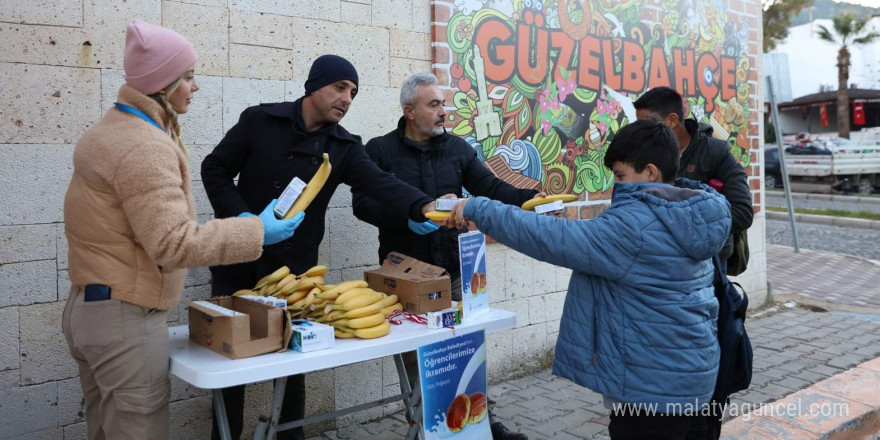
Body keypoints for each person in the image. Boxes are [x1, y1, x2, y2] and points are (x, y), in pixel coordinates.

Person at [61, 19, 304, 440]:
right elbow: (172, 243)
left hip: (93, 309)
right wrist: (256, 232)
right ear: (162, 82)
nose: (196, 86)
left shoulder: (111, 129)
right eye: (188, 76)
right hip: (124, 320)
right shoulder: (143, 145)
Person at [445, 119, 731, 440]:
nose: (616, 185)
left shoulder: (633, 228)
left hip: (652, 394)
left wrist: (478, 208)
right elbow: (607, 244)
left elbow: (553, 239)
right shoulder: (689, 212)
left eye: (621, 176)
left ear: (650, 172)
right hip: (695, 378)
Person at [201, 55, 437, 440]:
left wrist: (422, 205)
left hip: (291, 273)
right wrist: (246, 221)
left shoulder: (343, 146)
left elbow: (380, 183)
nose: (347, 98)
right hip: (237, 262)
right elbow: (214, 168)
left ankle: (290, 436)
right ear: (314, 86)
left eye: (354, 93)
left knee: (293, 365)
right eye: (340, 87)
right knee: (231, 367)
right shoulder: (259, 121)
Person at [351, 73, 535, 440]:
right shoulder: (379, 150)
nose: (443, 112)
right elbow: (362, 204)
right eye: (433, 105)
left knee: (467, 350)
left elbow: (490, 187)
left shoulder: (457, 149)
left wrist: (532, 199)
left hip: (453, 270)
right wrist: (404, 217)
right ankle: (426, 429)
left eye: (443, 104)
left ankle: (484, 423)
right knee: (417, 360)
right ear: (409, 111)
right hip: (404, 277)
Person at [633, 86, 753, 275]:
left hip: (709, 263)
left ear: (672, 120)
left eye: (648, 124)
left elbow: (742, 213)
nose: (642, 132)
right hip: (660, 260)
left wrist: (683, 228)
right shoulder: (648, 154)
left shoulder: (715, 153)